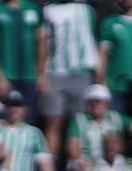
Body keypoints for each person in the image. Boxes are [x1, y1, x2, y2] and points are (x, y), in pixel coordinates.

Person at [38, 0, 98, 159]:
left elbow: (94, 40)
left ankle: (78, 169)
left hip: (81, 70)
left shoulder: (86, 9)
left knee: (79, 123)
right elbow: (43, 41)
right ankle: (49, 169)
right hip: (55, 71)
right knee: (53, 121)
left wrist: (98, 75)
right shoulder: (48, 11)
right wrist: (41, 73)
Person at [0, 0, 42, 119]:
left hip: (29, 75)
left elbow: (41, 42)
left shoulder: (33, 8)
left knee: (30, 118)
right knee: (5, 118)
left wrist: (41, 73)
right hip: (6, 75)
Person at [96, 0, 132, 115]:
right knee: (117, 123)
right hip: (116, 85)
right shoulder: (109, 23)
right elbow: (103, 53)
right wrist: (100, 80)